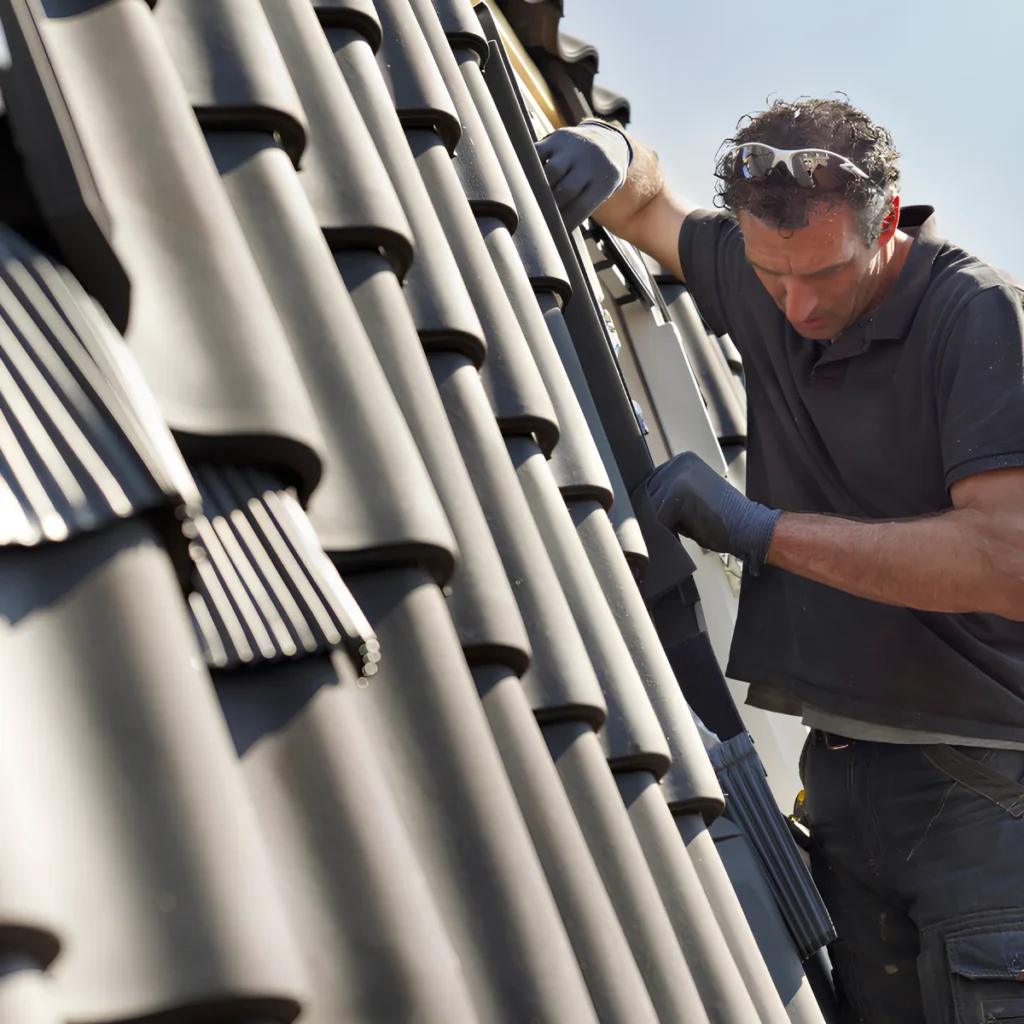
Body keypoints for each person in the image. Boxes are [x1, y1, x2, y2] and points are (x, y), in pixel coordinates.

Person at [536, 98, 1024, 1024]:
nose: (798, 307)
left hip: (990, 792)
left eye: (826, 277)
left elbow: (1008, 558)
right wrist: (613, 149)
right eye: (771, 277)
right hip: (842, 781)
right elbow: (648, 209)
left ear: (886, 222)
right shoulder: (773, 278)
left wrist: (761, 531)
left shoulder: (978, 316)